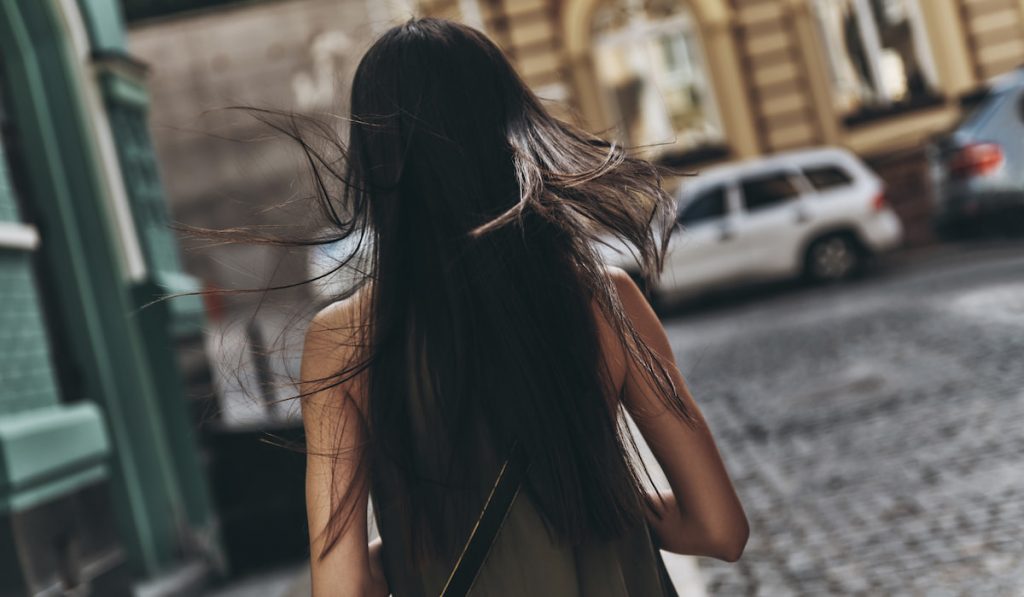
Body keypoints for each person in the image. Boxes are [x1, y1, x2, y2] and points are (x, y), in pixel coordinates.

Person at [298, 17, 748, 597]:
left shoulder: (343, 343)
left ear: (375, 158)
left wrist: (400, 557)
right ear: (507, 128)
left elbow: (340, 590)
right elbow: (720, 529)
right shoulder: (605, 301)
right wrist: (606, 506)